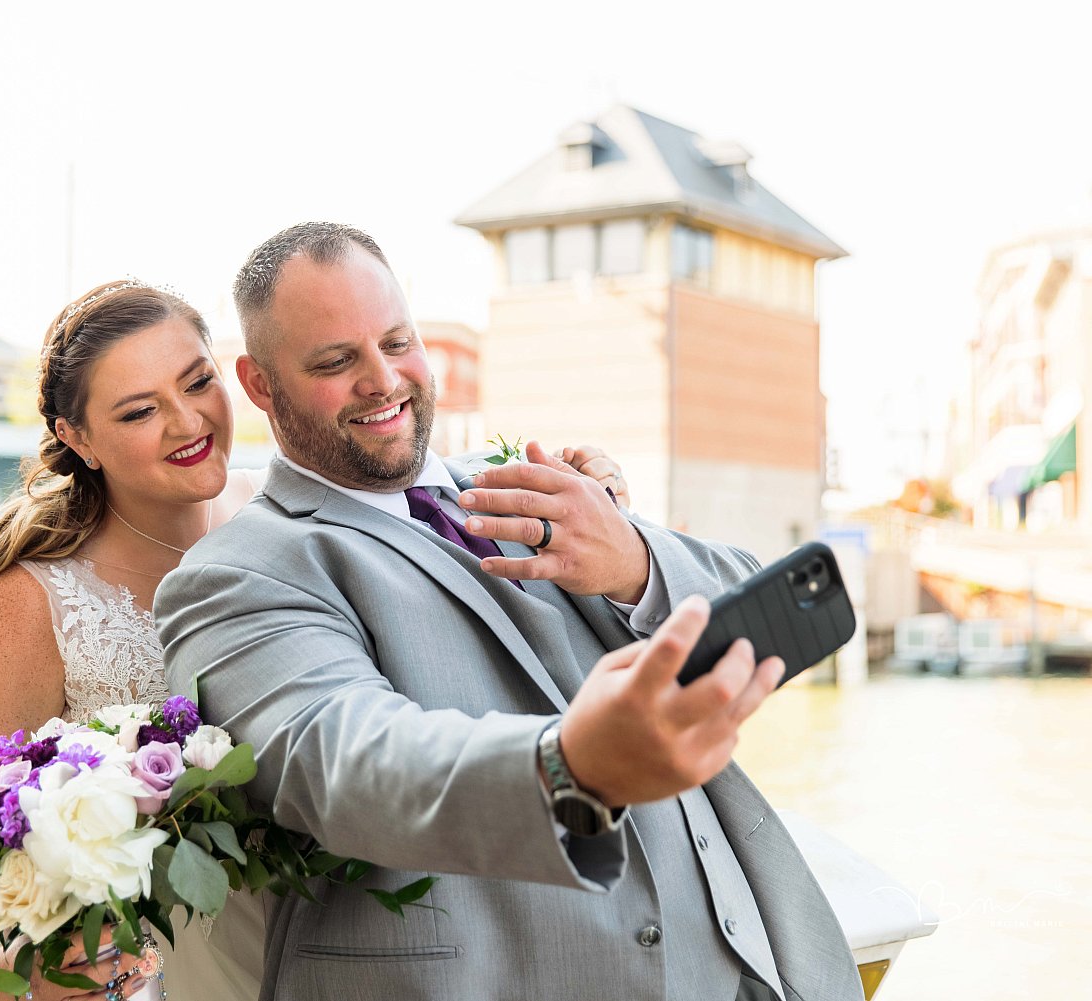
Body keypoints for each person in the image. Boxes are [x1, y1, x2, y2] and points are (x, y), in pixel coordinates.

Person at [155, 222, 865, 1001]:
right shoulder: (237, 572)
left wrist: (631, 558)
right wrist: (572, 767)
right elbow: (345, 764)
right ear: (259, 383)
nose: (383, 380)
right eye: (335, 361)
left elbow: (751, 603)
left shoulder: (528, 485)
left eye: (398, 341)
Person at [0, 278, 631, 1001]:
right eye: (139, 410)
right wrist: (42, 979)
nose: (187, 421)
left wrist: (582, 488)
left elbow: (435, 512)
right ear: (77, 438)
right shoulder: (24, 600)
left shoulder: (299, 512)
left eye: (198, 382)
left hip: (344, 942)